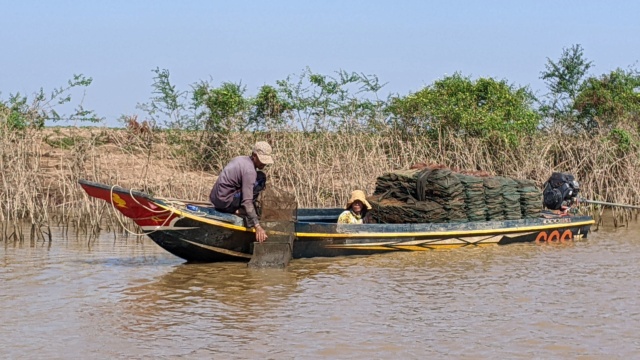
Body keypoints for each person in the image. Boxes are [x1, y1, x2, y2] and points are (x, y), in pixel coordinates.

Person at [210, 141, 273, 242]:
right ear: (254, 155)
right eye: (262, 160)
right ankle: (239, 210)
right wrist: (257, 226)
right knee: (261, 178)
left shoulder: (239, 159)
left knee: (258, 177)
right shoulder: (249, 171)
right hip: (225, 203)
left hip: (215, 199)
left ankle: (238, 208)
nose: (264, 163)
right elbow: (247, 201)